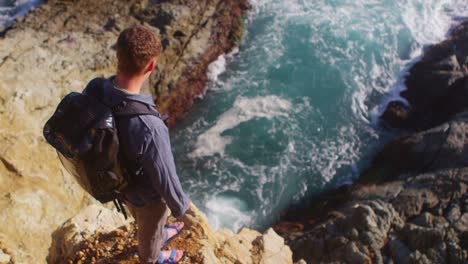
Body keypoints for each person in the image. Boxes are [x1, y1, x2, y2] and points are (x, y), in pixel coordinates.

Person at [85, 25, 191, 263]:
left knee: (142, 219)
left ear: (117, 56)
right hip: (146, 197)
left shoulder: (97, 88)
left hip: (118, 181)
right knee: (150, 225)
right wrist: (183, 210)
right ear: (151, 66)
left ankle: (158, 234)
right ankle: (152, 256)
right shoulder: (150, 127)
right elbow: (166, 181)